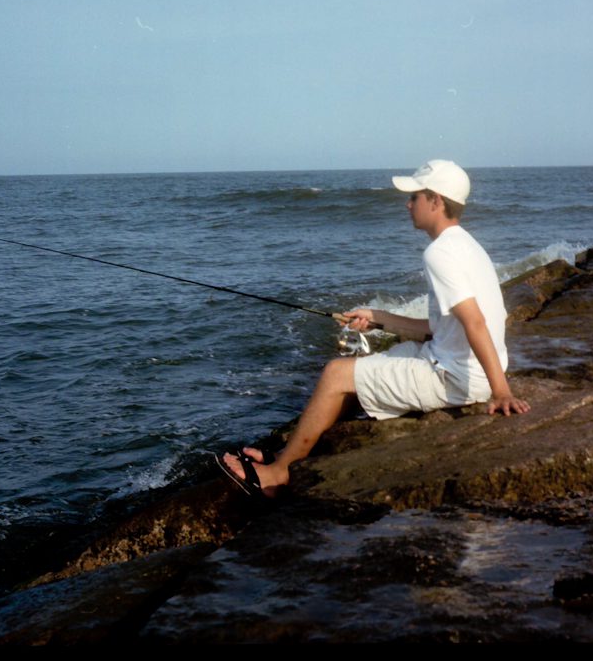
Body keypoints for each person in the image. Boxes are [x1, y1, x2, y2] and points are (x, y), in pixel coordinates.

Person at [218, 159, 530, 497]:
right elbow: (438, 328)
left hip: (456, 378)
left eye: (415, 197)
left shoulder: (439, 253)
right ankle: (288, 454)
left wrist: (501, 392)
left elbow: (475, 322)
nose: (408, 204)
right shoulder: (467, 245)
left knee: (336, 373)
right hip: (456, 362)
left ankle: (277, 474)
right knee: (366, 368)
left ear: (436, 201)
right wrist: (378, 317)